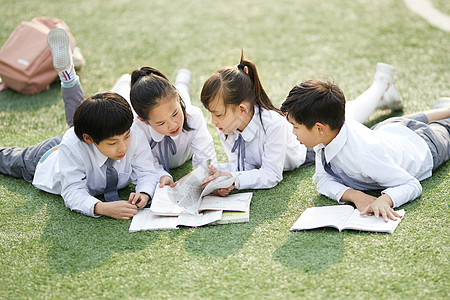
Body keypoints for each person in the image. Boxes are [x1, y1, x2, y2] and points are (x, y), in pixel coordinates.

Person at [0, 28, 161, 220]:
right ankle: (68, 79)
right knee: (6, 159)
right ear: (90, 140)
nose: (123, 147)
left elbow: (147, 171)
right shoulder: (74, 144)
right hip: (48, 156)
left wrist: (144, 192)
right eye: (113, 143)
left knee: (80, 120)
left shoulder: (131, 132)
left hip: (88, 132)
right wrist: (102, 208)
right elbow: (72, 191)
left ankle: (69, 78)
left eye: (126, 137)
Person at [199, 53, 402, 195]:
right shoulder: (227, 128)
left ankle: (381, 83)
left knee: (346, 117)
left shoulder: (273, 125)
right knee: (350, 113)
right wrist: (221, 176)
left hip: (307, 147)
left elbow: (271, 175)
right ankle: (383, 94)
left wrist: (234, 179)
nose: (213, 121)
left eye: (217, 114)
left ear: (242, 109)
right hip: (304, 136)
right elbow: (244, 166)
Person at [280, 79, 450, 221]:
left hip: (423, 145)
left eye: (295, 127)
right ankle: (445, 107)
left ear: (319, 128)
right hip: (387, 130)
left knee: (445, 127)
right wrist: (354, 195)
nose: (293, 132)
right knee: (405, 121)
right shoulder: (325, 137)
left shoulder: (364, 154)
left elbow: (411, 184)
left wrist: (385, 200)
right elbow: (322, 180)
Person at [110, 66, 217, 187]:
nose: (173, 125)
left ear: (176, 97)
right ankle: (124, 82)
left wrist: (206, 178)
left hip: (185, 150)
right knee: (124, 96)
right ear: (144, 121)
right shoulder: (137, 128)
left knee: (184, 94)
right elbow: (146, 164)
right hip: (140, 108)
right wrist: (162, 175)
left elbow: (207, 158)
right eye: (161, 123)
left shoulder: (193, 115)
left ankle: (182, 78)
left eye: (175, 114)